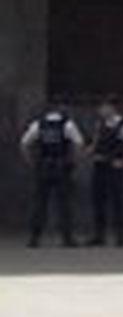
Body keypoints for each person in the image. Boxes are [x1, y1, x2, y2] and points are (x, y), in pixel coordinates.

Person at [18, 104, 84, 249]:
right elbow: (79, 144)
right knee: (64, 204)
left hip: (43, 167)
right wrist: (72, 162)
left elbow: (24, 144)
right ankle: (67, 238)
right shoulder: (68, 124)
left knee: (40, 203)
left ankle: (34, 238)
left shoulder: (38, 124)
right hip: (61, 167)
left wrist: (32, 162)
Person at [88, 98, 123, 248]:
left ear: (112, 108)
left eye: (104, 107)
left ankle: (120, 235)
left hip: (114, 167)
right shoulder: (99, 125)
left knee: (117, 201)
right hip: (100, 165)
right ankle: (99, 235)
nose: (101, 110)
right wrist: (91, 152)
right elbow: (95, 143)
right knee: (98, 200)